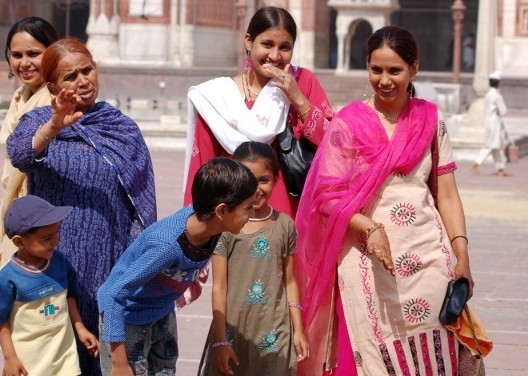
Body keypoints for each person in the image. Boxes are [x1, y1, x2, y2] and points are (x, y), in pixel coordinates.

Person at [294, 26, 474, 375]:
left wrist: (462, 255)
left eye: (395, 70)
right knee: (372, 355)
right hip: (365, 256)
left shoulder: (430, 119)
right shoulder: (349, 122)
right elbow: (326, 195)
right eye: (376, 70)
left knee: (437, 350)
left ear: (414, 69)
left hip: (427, 255)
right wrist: (367, 226)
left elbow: (448, 195)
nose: (385, 80)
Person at [7, 37, 157, 376]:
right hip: (56, 261)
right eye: (70, 76)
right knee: (57, 355)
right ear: (52, 85)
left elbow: (142, 198)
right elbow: (20, 154)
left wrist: (140, 260)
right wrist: (54, 126)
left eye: (86, 71)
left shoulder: (121, 127)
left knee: (106, 349)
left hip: (110, 258)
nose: (82, 81)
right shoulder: (39, 121)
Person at [96, 157, 258, 375]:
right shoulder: (166, 246)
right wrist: (119, 362)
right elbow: (114, 295)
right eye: (247, 208)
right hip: (127, 321)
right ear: (221, 211)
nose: (251, 215)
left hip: (162, 315)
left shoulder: (211, 225)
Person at [183, 6, 333, 220]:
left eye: (285, 47)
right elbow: (203, 170)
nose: (275, 55)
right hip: (232, 217)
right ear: (248, 41)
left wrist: (298, 99)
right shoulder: (216, 98)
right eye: (267, 44)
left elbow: (333, 144)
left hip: (290, 214)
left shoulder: (302, 82)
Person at [198, 142, 309, 376]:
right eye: (247, 178)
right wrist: (220, 341)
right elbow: (219, 287)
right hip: (233, 332)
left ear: (276, 180)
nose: (255, 188)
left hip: (275, 333)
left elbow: (289, 282)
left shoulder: (285, 225)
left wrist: (298, 329)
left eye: (263, 180)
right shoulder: (225, 226)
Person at [0, 195, 99, 376]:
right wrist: (10, 358)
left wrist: (80, 328)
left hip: (64, 358)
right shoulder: (5, 278)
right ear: (19, 242)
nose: (56, 242)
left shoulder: (60, 262)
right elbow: (0, 321)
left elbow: (69, 296)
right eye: (47, 238)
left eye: (56, 234)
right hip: (29, 362)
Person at [0, 16, 60, 274]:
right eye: (16, 55)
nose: (24, 63)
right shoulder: (20, 96)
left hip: (42, 214)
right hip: (17, 204)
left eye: (34, 54)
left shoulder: (56, 101)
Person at [470, 71, 512, 177]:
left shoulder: (488, 94)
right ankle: (475, 164)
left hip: (489, 122)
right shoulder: (497, 96)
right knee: (489, 146)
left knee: (495, 146)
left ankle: (500, 169)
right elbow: (503, 110)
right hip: (495, 124)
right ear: (499, 83)